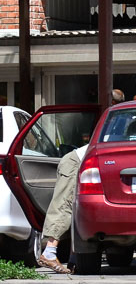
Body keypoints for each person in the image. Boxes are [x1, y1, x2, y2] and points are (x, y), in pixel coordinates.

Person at [36, 87, 126, 273]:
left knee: (78, 209)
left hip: (85, 161)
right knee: (66, 204)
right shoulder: (119, 120)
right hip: (75, 161)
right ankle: (49, 252)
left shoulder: (120, 119)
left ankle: (72, 259)